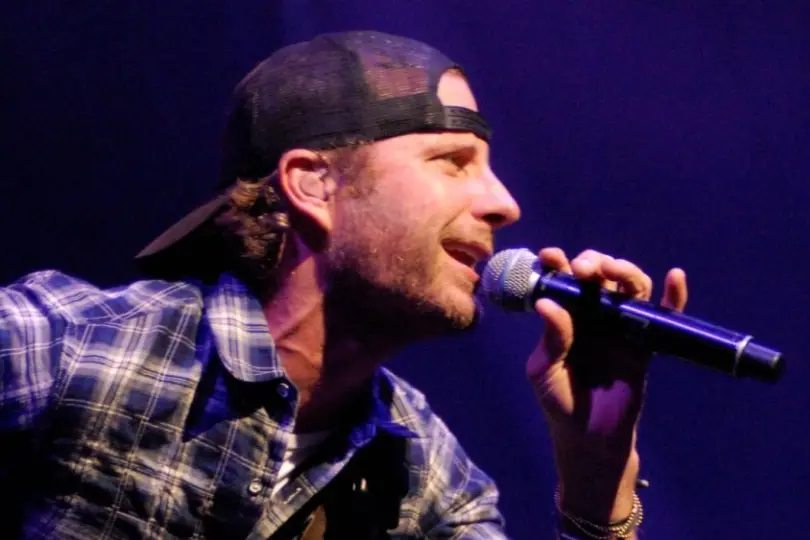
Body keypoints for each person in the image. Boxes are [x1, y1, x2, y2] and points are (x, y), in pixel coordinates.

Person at [0, 31, 688, 539]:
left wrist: (597, 476)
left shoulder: (429, 480)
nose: (504, 203)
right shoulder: (66, 345)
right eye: (453, 162)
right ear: (313, 185)